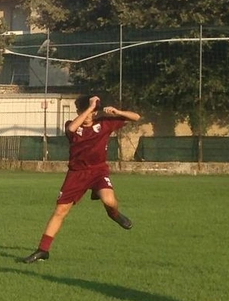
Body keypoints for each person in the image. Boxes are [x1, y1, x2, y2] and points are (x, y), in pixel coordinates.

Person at [22, 94, 141, 263]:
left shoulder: (105, 123)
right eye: (83, 111)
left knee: (109, 201)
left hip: (98, 172)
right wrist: (90, 108)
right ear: (79, 111)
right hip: (76, 174)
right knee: (60, 211)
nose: (88, 115)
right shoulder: (73, 126)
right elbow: (71, 129)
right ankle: (43, 250)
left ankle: (114, 215)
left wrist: (117, 111)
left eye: (92, 111)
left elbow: (136, 117)